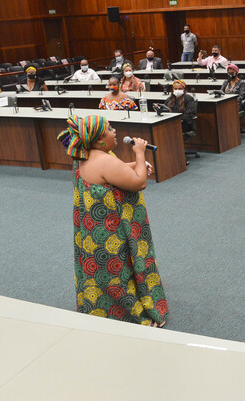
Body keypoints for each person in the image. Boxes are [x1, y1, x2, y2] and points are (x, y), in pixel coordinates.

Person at [58, 114, 168, 328]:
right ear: (99, 140)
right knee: (120, 270)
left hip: (93, 230)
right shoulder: (105, 160)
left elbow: (114, 171)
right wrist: (139, 153)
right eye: (109, 129)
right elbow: (139, 183)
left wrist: (135, 164)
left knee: (105, 272)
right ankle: (133, 315)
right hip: (114, 231)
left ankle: (103, 311)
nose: (114, 131)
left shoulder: (84, 155)